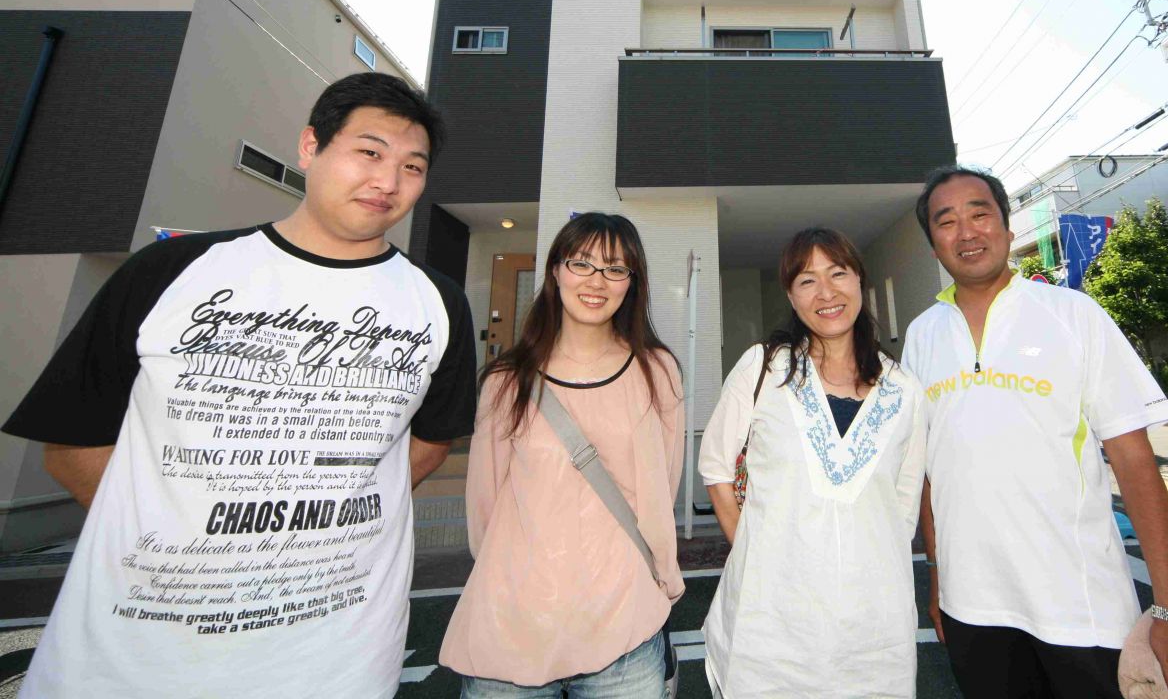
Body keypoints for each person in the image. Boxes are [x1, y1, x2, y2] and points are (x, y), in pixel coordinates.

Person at [2, 73, 476, 698]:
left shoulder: (437, 303)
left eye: (412, 167)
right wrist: (177, 529)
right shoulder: (174, 271)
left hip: (343, 657)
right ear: (311, 148)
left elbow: (428, 445)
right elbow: (72, 445)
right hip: (135, 657)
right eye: (369, 152)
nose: (388, 182)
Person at [904, 165, 1168, 699]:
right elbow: (931, 472)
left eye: (981, 214)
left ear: (1007, 226)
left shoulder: (1074, 315)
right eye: (947, 221)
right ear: (933, 243)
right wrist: (936, 577)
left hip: (1084, 610)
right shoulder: (921, 335)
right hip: (971, 608)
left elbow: (1135, 461)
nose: (967, 231)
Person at [440, 212, 684, 698]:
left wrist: (661, 576)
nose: (598, 281)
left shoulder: (657, 371)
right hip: (514, 627)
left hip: (624, 627)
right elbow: (485, 508)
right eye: (582, 263)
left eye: (616, 269)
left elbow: (661, 493)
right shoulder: (507, 381)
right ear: (555, 270)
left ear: (632, 283)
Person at [699, 227, 926, 698]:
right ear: (791, 295)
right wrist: (753, 553)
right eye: (806, 280)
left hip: (873, 627)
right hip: (772, 624)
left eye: (838, 273)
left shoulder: (903, 389)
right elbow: (717, 467)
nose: (826, 292)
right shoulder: (765, 368)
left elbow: (904, 502)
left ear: (859, 282)